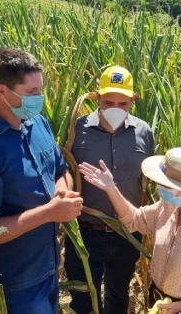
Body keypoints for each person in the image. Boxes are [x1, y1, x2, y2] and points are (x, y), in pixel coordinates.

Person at [0, 48, 83, 313]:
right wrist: (49, 213)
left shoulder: (36, 122)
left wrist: (62, 192)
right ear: (1, 91)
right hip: (15, 282)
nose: (40, 98)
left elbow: (60, 170)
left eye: (41, 90)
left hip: (49, 268)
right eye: (32, 92)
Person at [78, 147, 181, 314]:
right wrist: (110, 188)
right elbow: (133, 220)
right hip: (156, 299)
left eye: (166, 185)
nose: (160, 187)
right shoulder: (168, 207)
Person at [67, 65, 155, 314]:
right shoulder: (77, 129)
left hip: (127, 232)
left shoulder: (144, 132)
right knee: (83, 299)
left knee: (118, 295)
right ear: (97, 97)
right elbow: (63, 168)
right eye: (108, 102)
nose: (115, 108)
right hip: (86, 233)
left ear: (133, 100)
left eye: (123, 103)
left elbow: (148, 178)